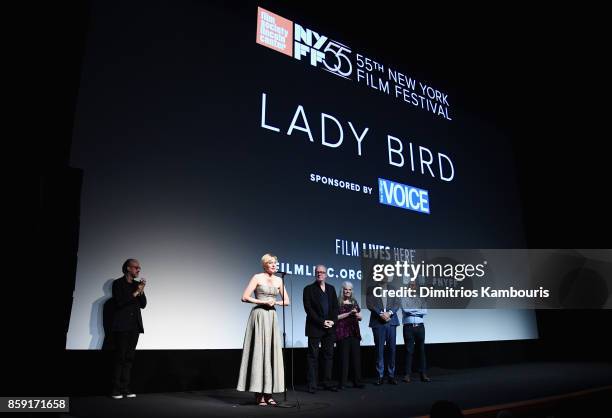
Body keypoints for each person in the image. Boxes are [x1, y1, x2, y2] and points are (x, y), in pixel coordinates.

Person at [237, 254, 290, 406]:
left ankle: (269, 394)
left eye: (276, 263)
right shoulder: (257, 277)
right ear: (265, 264)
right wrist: (263, 301)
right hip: (259, 316)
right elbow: (245, 297)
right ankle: (258, 394)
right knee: (259, 353)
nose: (274, 265)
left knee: (271, 353)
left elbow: (287, 301)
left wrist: (276, 302)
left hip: (272, 316)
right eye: (271, 263)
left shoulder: (279, 280)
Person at [111, 258, 147, 399]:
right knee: (120, 357)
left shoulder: (138, 285)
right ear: (128, 268)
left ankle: (125, 388)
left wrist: (141, 291)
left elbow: (143, 304)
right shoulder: (118, 284)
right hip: (122, 326)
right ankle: (115, 389)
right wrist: (136, 292)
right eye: (136, 267)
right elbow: (120, 302)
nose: (138, 270)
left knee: (129, 358)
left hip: (134, 326)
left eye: (139, 268)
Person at [303, 265, 339, 393]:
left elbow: (335, 307)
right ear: (315, 274)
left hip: (329, 328)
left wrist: (332, 321)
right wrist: (322, 322)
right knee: (313, 356)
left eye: (322, 272)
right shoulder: (308, 289)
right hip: (315, 327)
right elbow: (309, 309)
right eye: (317, 272)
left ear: (326, 274)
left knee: (328, 356)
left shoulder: (331, 288)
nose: (320, 274)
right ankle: (312, 385)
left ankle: (327, 382)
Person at [367, 279, 400, 385]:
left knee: (392, 350)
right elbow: (370, 304)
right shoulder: (371, 289)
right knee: (379, 350)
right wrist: (381, 313)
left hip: (391, 322)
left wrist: (389, 313)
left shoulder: (393, 289)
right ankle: (380, 376)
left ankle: (391, 375)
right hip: (378, 322)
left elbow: (397, 303)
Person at [335, 281, 365, 389]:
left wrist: (357, 314)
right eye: (346, 289)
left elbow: (360, 317)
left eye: (350, 289)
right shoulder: (338, 302)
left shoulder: (354, 302)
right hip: (342, 333)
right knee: (344, 359)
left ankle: (357, 381)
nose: (348, 291)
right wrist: (349, 314)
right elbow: (336, 317)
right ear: (342, 290)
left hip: (354, 332)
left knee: (356, 358)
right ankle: (342, 383)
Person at [402, 280, 431, 382]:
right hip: (408, 327)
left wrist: (413, 311)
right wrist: (418, 311)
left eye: (414, 285)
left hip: (420, 327)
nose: (412, 287)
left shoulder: (421, 298)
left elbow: (425, 311)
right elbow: (406, 310)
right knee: (409, 351)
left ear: (416, 287)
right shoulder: (404, 298)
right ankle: (407, 375)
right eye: (410, 285)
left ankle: (423, 374)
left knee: (421, 351)